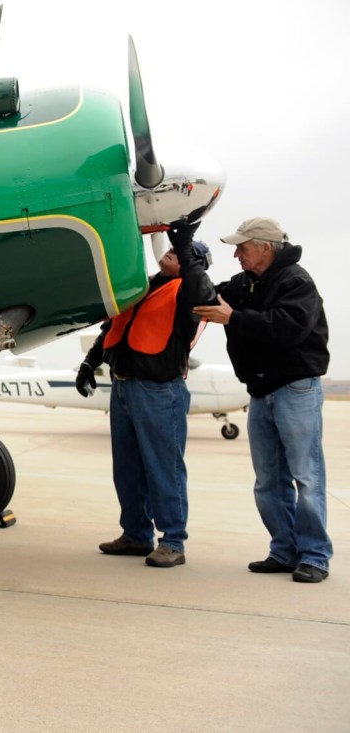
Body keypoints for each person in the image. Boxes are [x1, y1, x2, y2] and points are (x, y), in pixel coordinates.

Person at [193, 217, 331, 583]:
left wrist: (233, 318)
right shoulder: (245, 283)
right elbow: (208, 297)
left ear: (265, 247)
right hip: (260, 391)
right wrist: (189, 260)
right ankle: (284, 551)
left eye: (243, 247)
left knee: (306, 475)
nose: (237, 254)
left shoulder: (296, 282)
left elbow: (287, 329)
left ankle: (315, 556)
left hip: (295, 389)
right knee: (268, 480)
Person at [75, 223, 216, 568]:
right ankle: (136, 534)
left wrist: (187, 250)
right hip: (123, 386)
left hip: (159, 390)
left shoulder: (189, 293)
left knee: (163, 468)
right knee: (127, 468)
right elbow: (113, 328)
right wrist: (89, 363)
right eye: (176, 248)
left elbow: (204, 296)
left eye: (185, 253)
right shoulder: (143, 286)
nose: (172, 251)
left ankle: (173, 541)